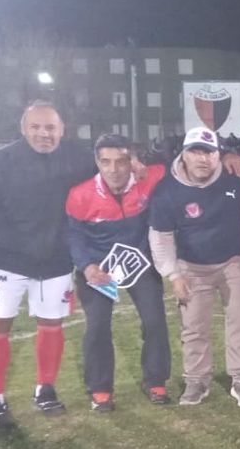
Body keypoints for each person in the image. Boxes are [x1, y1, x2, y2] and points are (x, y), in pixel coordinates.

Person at [0, 101, 96, 427]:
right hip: (5, 263)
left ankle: (45, 390)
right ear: (23, 128)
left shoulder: (79, 161)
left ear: (62, 129)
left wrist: (140, 166)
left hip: (56, 262)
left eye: (50, 127)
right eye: (35, 127)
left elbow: (112, 172)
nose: (43, 134)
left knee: (51, 325)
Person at [148, 127, 240, 408]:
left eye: (209, 152)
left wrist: (236, 155)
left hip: (232, 261)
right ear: (184, 155)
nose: (203, 159)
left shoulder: (233, 173)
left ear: (218, 155)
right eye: (195, 151)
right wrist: (174, 275)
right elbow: (160, 236)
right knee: (194, 326)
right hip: (191, 266)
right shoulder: (167, 190)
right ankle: (197, 380)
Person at [65, 135, 171, 411]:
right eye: (106, 162)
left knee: (155, 321)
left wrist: (147, 162)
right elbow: (74, 237)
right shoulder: (80, 194)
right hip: (98, 268)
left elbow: (178, 164)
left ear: (131, 161)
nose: (114, 169)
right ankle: (100, 389)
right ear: (97, 163)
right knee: (98, 326)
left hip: (138, 266)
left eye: (121, 161)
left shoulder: (148, 179)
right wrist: (87, 266)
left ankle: (156, 381)